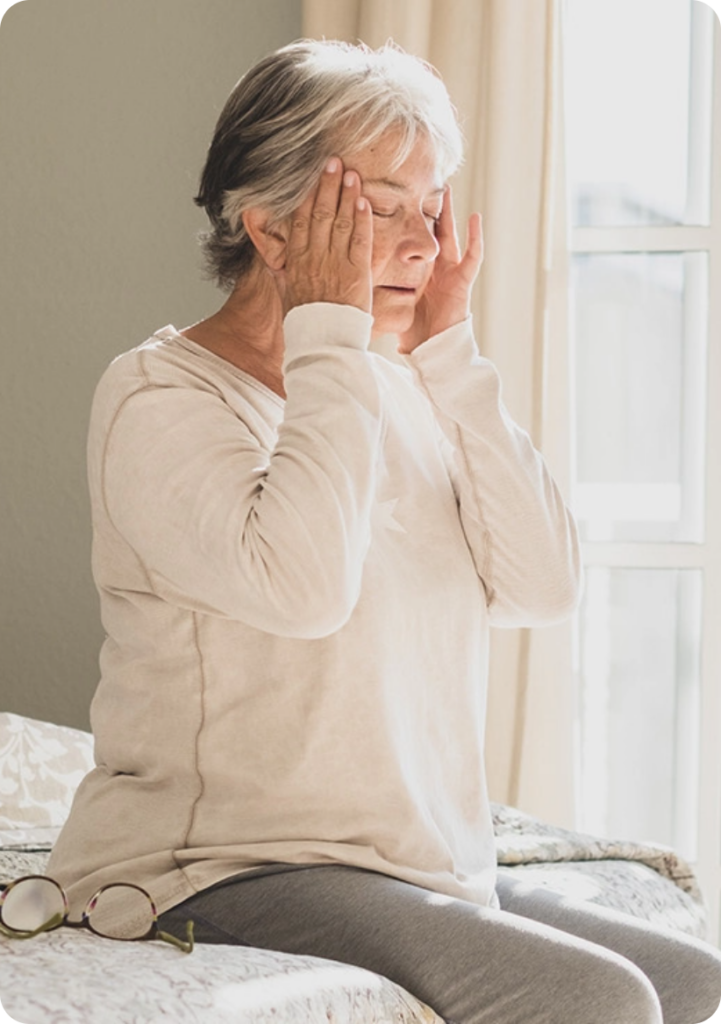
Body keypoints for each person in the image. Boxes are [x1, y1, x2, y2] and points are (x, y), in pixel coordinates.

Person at [48, 39, 721, 1024]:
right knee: (598, 1001)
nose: (420, 242)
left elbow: (543, 586)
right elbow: (305, 589)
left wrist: (448, 353)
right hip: (220, 864)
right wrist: (331, 332)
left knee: (698, 982)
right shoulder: (159, 396)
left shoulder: (395, 387)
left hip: (412, 862)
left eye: (430, 205)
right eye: (378, 206)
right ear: (271, 227)